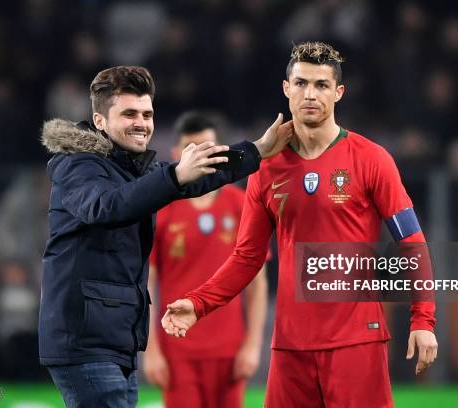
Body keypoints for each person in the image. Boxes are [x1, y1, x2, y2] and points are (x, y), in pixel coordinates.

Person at [161, 42, 438, 407]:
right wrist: (198, 304)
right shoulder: (266, 170)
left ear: (338, 92)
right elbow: (247, 257)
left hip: (357, 341)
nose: (311, 94)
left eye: (322, 85)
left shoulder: (372, 159)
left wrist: (423, 319)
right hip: (290, 347)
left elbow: (412, 241)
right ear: (286, 88)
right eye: (302, 83)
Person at [38, 66, 293, 408]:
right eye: (129, 113)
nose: (141, 123)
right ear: (99, 120)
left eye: (147, 114)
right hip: (86, 343)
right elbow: (106, 207)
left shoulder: (130, 170)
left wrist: (256, 151)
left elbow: (197, 177)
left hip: (114, 343)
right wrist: (175, 176)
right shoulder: (77, 165)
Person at [144, 111, 268, 407]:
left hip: (229, 350)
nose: (201, 155)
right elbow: (145, 286)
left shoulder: (242, 205)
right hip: (177, 351)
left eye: (208, 147)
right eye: (191, 148)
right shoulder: (160, 210)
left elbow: (257, 284)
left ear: (222, 153)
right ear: (176, 154)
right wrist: (151, 351)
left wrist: (252, 346)